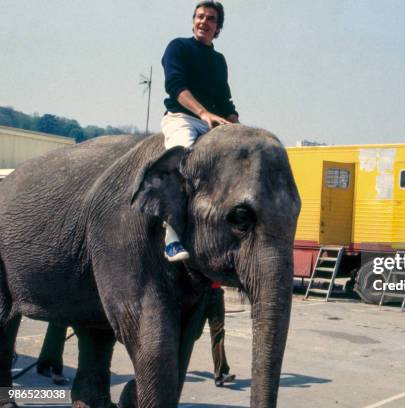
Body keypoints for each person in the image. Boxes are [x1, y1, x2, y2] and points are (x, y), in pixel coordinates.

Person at [161, 0, 239, 261]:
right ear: (193, 20)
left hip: (212, 122)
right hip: (182, 117)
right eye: (200, 16)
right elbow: (175, 86)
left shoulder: (219, 61)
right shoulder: (178, 47)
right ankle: (171, 236)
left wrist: (239, 130)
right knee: (184, 159)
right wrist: (203, 113)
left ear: (218, 28)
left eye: (211, 19)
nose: (204, 22)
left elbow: (226, 102)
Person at [204, 281, 235, 387]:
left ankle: (221, 373)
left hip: (215, 292)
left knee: (218, 333)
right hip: (196, 292)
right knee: (190, 333)